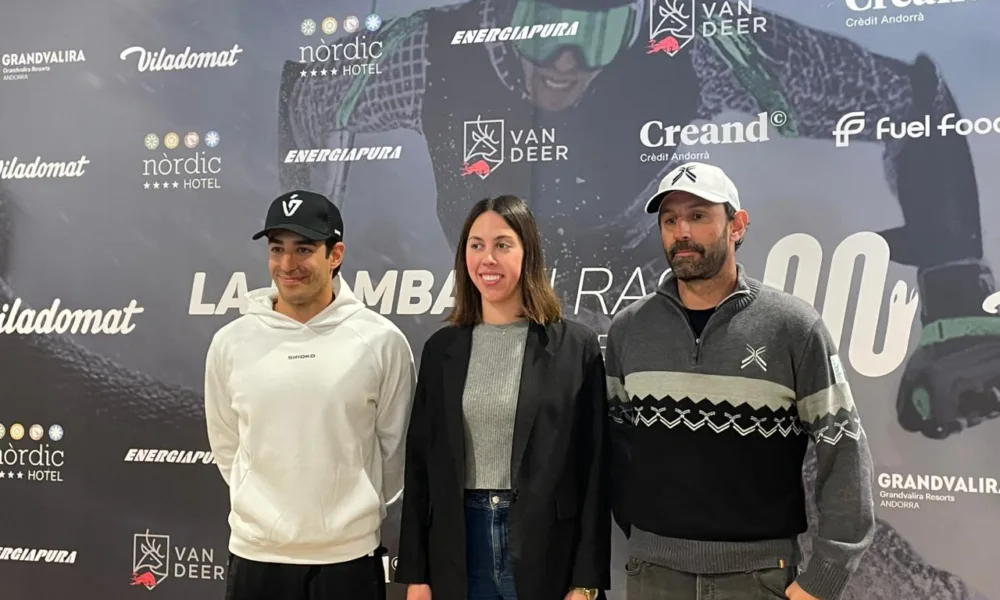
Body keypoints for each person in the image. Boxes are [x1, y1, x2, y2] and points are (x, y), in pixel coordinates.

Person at [277, 0, 1000, 442]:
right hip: (501, 344)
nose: (565, 63)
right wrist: (316, 285)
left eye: (598, 36)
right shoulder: (429, 49)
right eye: (543, 31)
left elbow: (909, 102)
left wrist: (957, 300)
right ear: (502, 11)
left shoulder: (689, 42)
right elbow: (308, 96)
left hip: (648, 341)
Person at [605, 162, 876, 600]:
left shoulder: (793, 327)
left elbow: (843, 451)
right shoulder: (629, 329)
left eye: (698, 216)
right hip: (652, 575)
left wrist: (825, 577)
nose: (682, 232)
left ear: (737, 225)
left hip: (759, 579)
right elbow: (615, 450)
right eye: (670, 220)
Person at [395, 194, 611, 600]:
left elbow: (594, 469)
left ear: (528, 253)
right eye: (476, 245)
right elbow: (420, 467)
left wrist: (586, 581)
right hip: (458, 548)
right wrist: (416, 574)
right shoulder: (441, 350)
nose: (487, 259)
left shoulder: (575, 347)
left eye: (502, 244)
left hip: (545, 549)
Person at [203, 190, 416, 600]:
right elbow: (227, 444)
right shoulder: (230, 343)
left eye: (303, 249)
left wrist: (347, 516)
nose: (287, 264)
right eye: (277, 249)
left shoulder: (381, 341)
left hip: (350, 559)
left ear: (336, 255)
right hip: (255, 556)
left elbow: (395, 450)